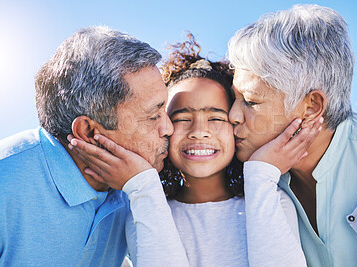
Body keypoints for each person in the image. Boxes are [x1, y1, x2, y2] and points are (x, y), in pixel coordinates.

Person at [69, 34, 323, 266]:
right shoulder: (146, 207)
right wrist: (143, 186)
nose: (199, 131)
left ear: (234, 123)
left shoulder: (272, 199)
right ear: (164, 126)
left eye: (215, 118)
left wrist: (261, 173)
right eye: (181, 118)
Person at [0, 26, 187, 266]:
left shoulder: (135, 187)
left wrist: (143, 188)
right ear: (88, 132)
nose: (169, 128)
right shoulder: (5, 182)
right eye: (153, 116)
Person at [227, 4, 357, 267]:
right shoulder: (248, 175)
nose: (232, 115)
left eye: (250, 101)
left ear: (312, 106)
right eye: (234, 98)